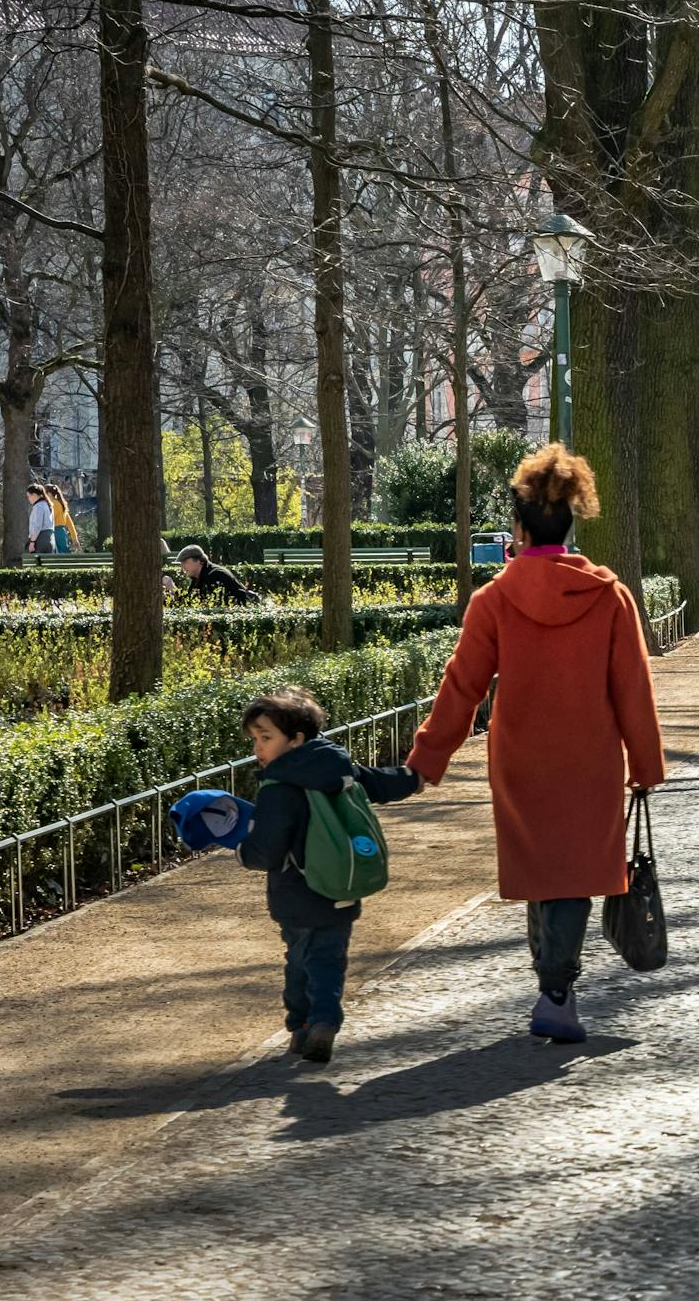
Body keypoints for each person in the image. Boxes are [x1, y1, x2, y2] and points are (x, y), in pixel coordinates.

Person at [405, 444, 665, 1044]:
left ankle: (552, 980)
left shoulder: (492, 600)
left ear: (519, 530)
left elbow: (461, 686)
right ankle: (556, 988)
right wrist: (645, 763)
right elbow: (633, 686)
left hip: (520, 758)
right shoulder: (609, 596)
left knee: (540, 868)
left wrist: (426, 760)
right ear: (571, 525)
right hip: (591, 756)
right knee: (572, 872)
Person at [237, 686, 422, 1064]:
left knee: (300, 959)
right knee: (329, 958)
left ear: (296, 740)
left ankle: (302, 1025)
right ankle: (325, 1020)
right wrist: (415, 777)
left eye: (266, 738)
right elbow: (379, 783)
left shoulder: (279, 787)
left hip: (296, 892)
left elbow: (268, 849)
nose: (258, 747)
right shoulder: (340, 767)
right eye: (255, 739)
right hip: (344, 882)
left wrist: (243, 853)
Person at [177, 544, 262, 604]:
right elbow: (189, 601)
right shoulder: (198, 576)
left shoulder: (215, 575)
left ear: (199, 561)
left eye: (185, 562)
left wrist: (173, 589)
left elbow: (203, 602)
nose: (182, 566)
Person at [45, 481, 77, 554]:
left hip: (55, 532)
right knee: (64, 553)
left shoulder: (52, 504)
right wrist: (75, 539)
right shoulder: (61, 504)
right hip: (62, 532)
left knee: (58, 554)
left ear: (49, 494)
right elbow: (70, 524)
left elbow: (50, 520)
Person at [25, 484, 55, 556]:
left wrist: (32, 542)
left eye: (29, 496)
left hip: (40, 539)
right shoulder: (47, 505)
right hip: (50, 538)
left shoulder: (38, 507)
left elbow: (37, 526)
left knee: (33, 563)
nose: (28, 499)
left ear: (34, 495)